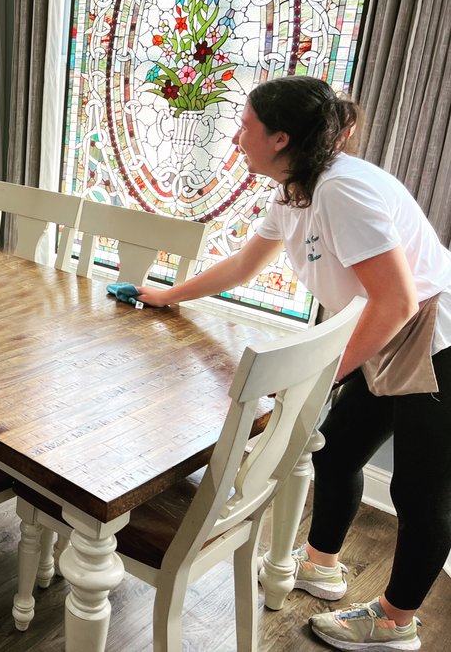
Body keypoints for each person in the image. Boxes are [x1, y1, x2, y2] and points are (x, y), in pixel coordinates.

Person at [136, 75, 450, 651]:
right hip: (390, 331)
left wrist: (319, 376)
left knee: (422, 493)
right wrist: (166, 295)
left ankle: (394, 622)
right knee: (337, 452)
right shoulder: (295, 191)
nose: (236, 138)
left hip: (436, 340)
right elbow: (243, 266)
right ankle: (320, 565)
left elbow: (400, 301)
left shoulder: (340, 190)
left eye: (246, 126)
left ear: (280, 138)